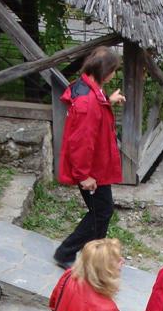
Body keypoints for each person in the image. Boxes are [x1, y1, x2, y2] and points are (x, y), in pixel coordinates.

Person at [52, 47, 125, 269]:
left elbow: (94, 111)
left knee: (101, 212)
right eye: (113, 71)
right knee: (102, 212)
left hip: (96, 168)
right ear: (106, 71)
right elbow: (81, 143)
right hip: (91, 170)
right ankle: (66, 252)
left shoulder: (89, 89)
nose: (114, 75)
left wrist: (108, 101)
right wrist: (84, 176)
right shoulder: (88, 102)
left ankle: (96, 258)